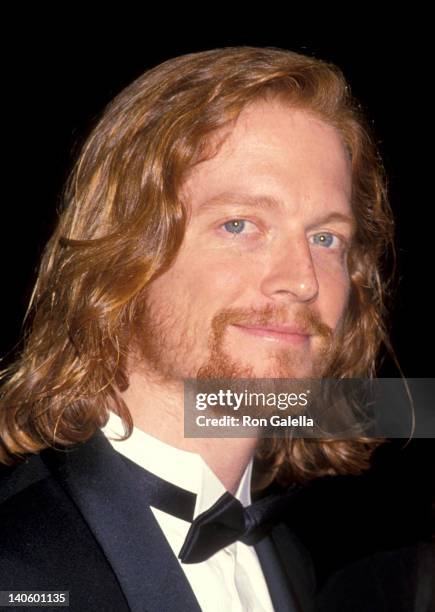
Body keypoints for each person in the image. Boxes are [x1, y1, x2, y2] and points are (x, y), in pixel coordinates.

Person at [0, 46, 398, 611]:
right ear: (125, 250)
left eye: (325, 237)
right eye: (240, 224)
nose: (303, 280)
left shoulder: (289, 559)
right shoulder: (18, 569)